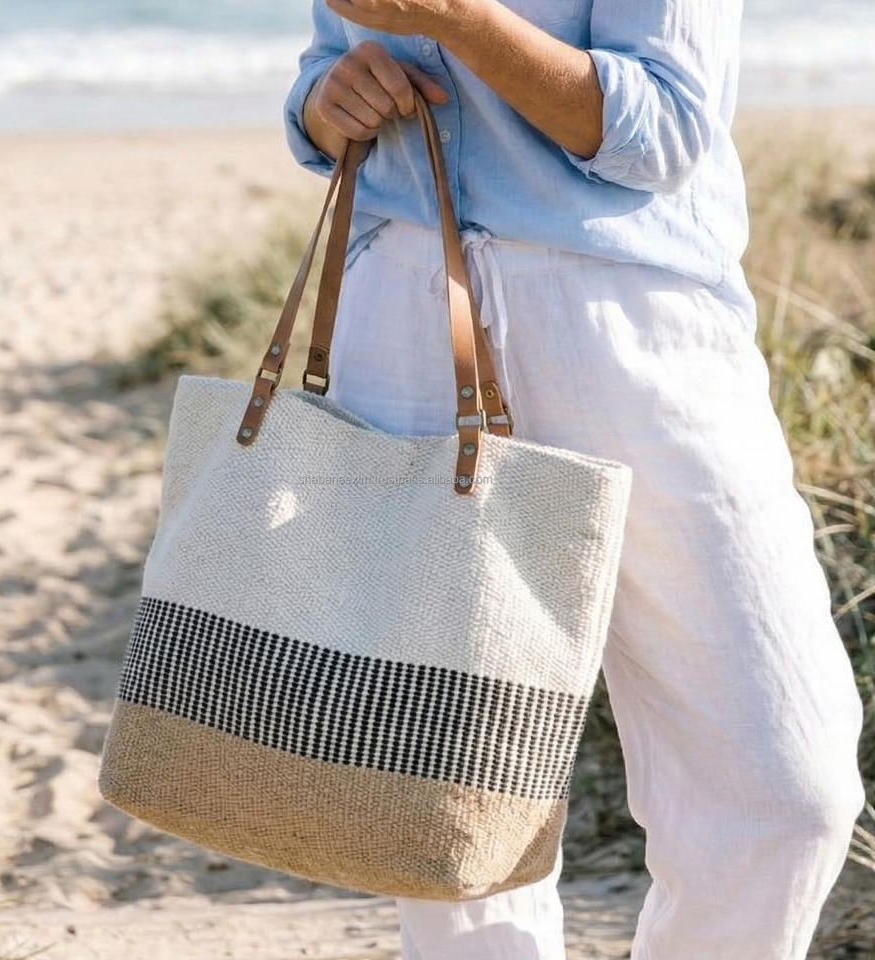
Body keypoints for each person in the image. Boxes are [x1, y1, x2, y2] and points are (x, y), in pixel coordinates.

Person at [281, 1, 867, 958]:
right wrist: (326, 101)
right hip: (402, 313)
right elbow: (323, 68)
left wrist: (455, 19)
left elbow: (664, 130)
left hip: (633, 329)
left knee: (784, 789)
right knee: (451, 806)